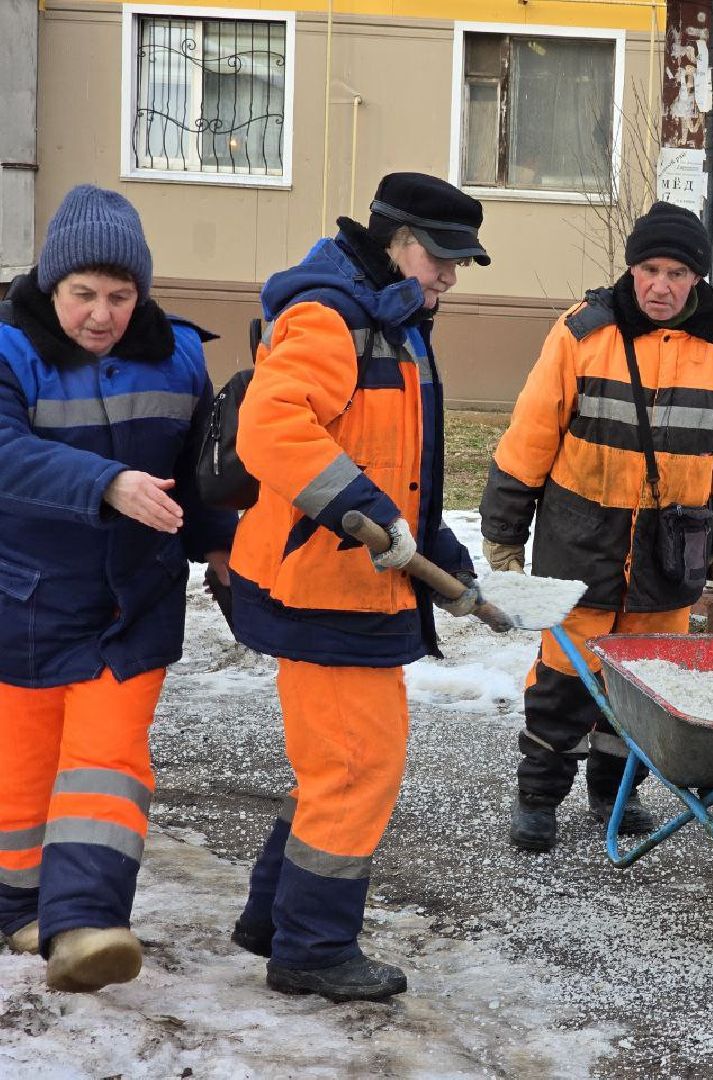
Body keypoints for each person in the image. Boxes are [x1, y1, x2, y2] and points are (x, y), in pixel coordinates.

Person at [227, 172, 497, 1003]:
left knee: (332, 766)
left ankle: (275, 920)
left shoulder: (397, 321)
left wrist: (444, 558)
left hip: (358, 582)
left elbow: (397, 466)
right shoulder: (329, 314)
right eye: (437, 255)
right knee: (355, 768)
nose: (449, 275)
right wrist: (357, 508)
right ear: (391, 239)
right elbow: (270, 429)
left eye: (460, 261)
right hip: (320, 583)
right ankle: (313, 948)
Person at [0, 185, 237, 991]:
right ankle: (18, 907)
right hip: (28, 596)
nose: (101, 314)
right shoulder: (8, 347)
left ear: (141, 292)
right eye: (83, 295)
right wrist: (105, 482)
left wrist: (222, 552)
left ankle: (87, 924)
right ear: (51, 283)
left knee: (106, 758)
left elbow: (199, 478)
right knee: (24, 767)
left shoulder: (176, 352)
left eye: (120, 295)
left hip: (134, 598)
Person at [481, 201, 713, 853]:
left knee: (643, 688)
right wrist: (504, 531)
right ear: (631, 270)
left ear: (698, 280)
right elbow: (531, 435)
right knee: (563, 680)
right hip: (581, 542)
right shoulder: (582, 332)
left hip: (672, 552)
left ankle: (616, 791)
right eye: (649, 269)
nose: (660, 285)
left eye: (676, 273)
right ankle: (539, 797)